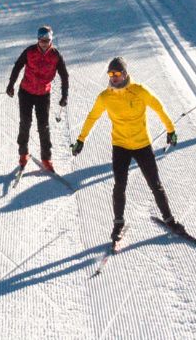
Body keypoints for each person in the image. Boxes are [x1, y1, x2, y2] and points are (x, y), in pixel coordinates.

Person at [71, 57, 182, 242]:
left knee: (155, 184)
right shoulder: (105, 96)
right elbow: (92, 117)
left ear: (125, 74)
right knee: (119, 186)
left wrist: (171, 130)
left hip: (142, 145)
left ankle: (169, 220)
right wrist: (80, 140)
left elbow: (158, 107)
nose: (113, 77)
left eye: (117, 74)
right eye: (111, 74)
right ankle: (118, 224)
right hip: (120, 146)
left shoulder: (139, 91)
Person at [5, 25, 70, 171]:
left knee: (43, 127)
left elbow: (64, 76)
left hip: (43, 95)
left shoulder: (55, 56)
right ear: (38, 40)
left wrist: (64, 95)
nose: (44, 43)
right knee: (25, 123)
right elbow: (18, 66)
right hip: (26, 92)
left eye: (46, 40)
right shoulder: (30, 51)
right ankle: (23, 154)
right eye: (41, 40)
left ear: (51, 40)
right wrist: (11, 85)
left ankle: (46, 158)